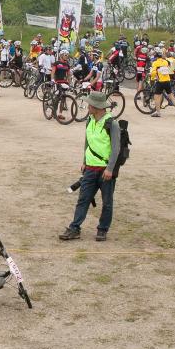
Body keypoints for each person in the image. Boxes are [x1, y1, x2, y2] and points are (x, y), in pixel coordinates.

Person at [59, 91, 121, 242]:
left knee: (107, 202)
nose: (87, 106)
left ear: (97, 107)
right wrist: (84, 161)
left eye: (90, 104)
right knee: (83, 199)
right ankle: (74, 228)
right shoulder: (90, 121)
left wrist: (110, 169)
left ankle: (102, 229)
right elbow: (87, 143)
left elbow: (116, 148)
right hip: (90, 168)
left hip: (105, 170)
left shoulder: (112, 123)